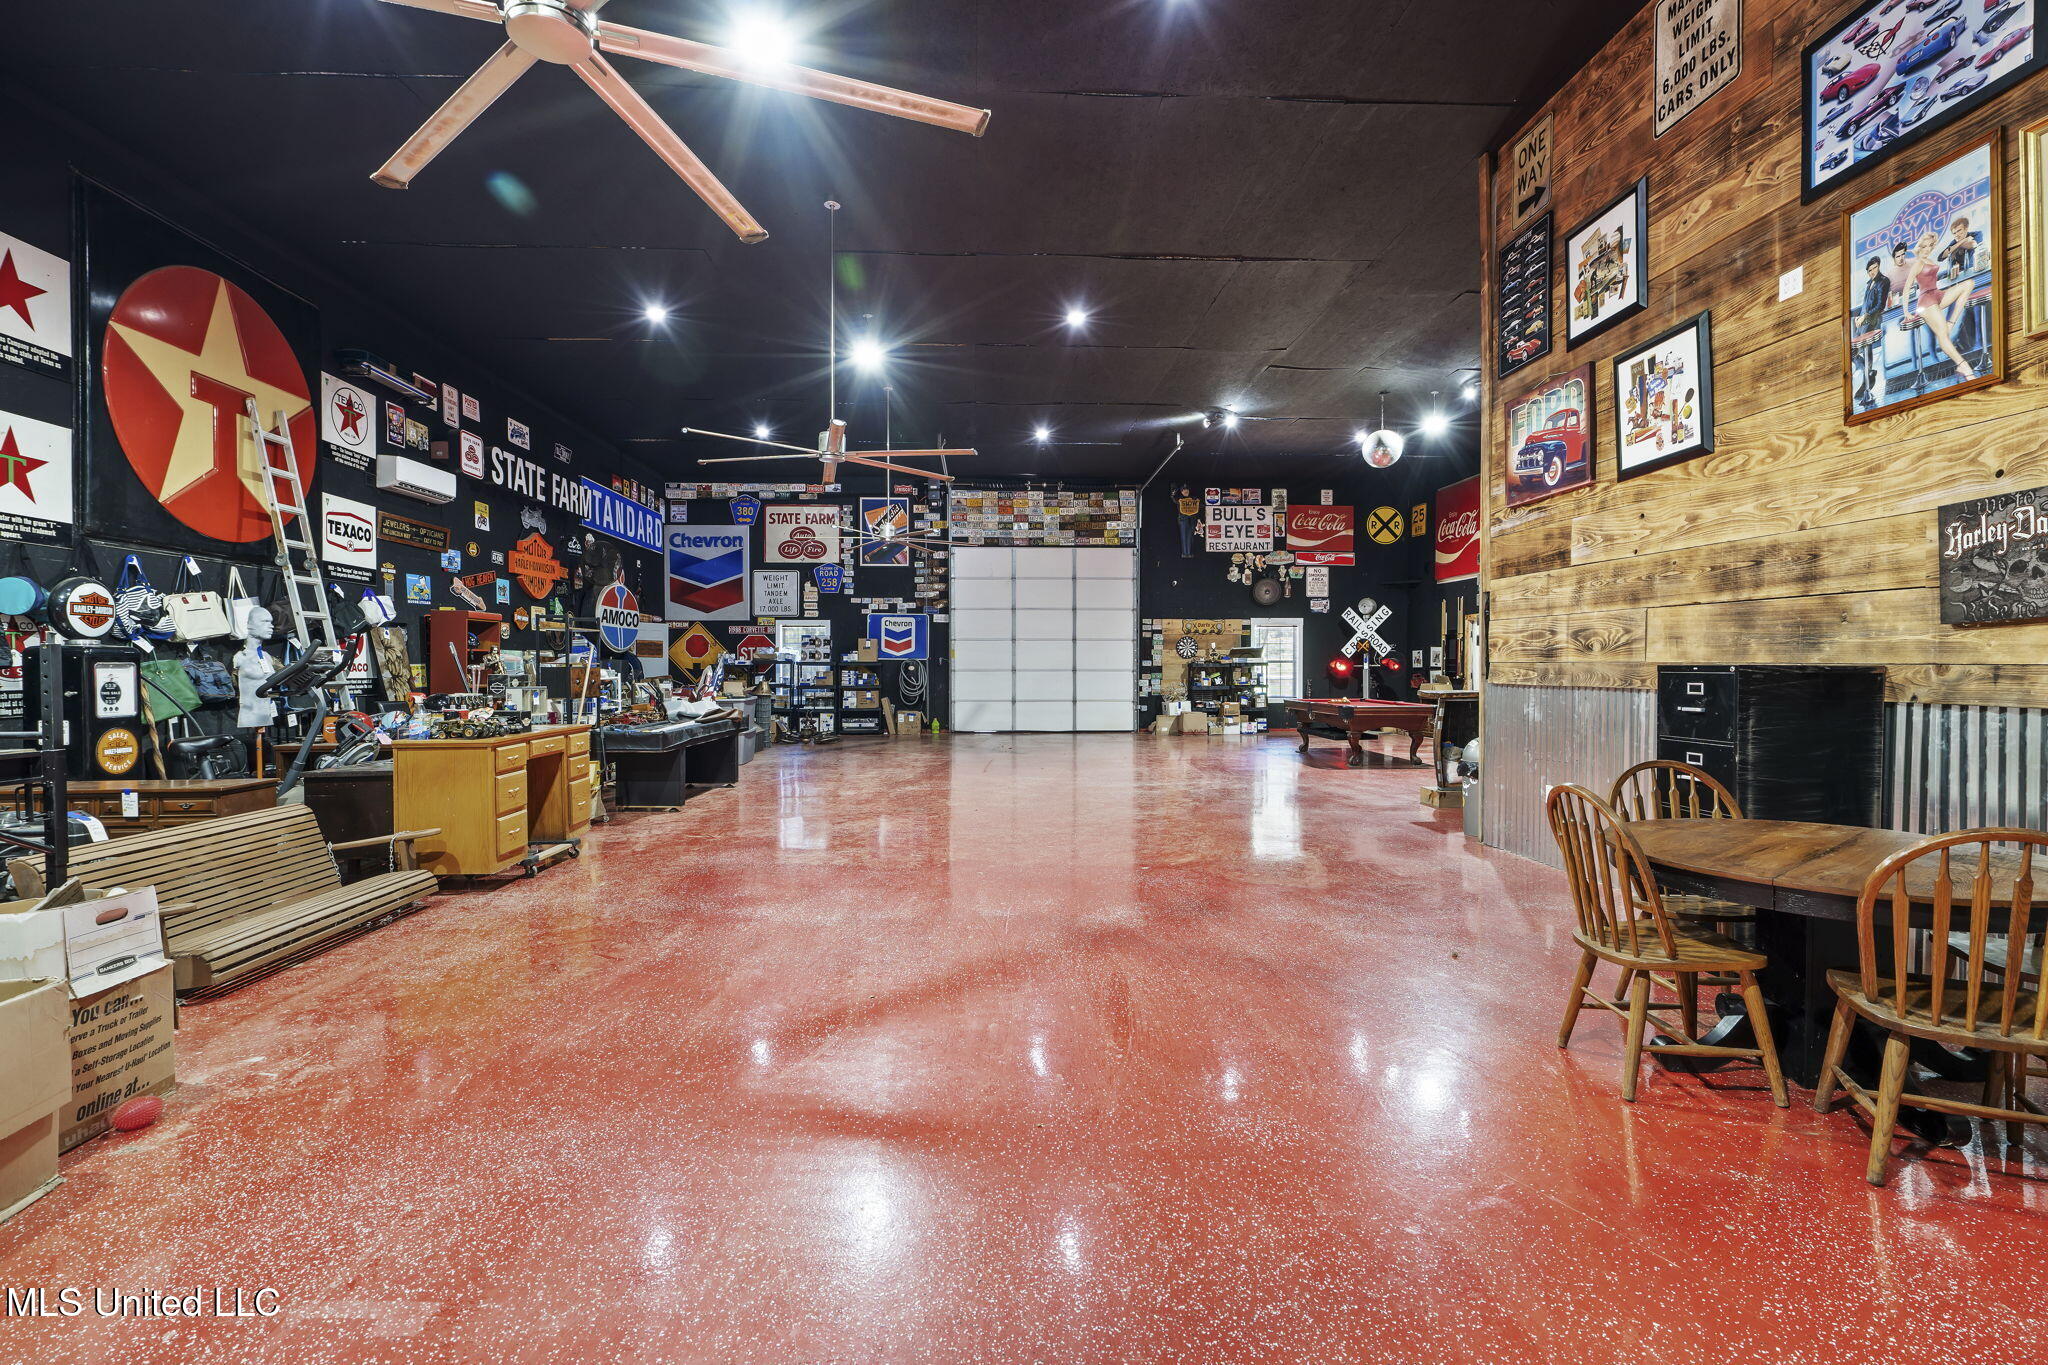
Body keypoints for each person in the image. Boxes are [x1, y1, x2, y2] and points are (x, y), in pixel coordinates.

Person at [1910, 227, 1976, 382]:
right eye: (1924, 246)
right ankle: (1963, 365)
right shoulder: (1918, 262)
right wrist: (1907, 311)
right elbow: (1908, 287)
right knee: (1942, 335)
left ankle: (1951, 322)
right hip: (1925, 301)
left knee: (1969, 284)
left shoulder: (1927, 259)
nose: (1928, 249)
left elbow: (1971, 244)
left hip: (1935, 295)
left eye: (1930, 246)